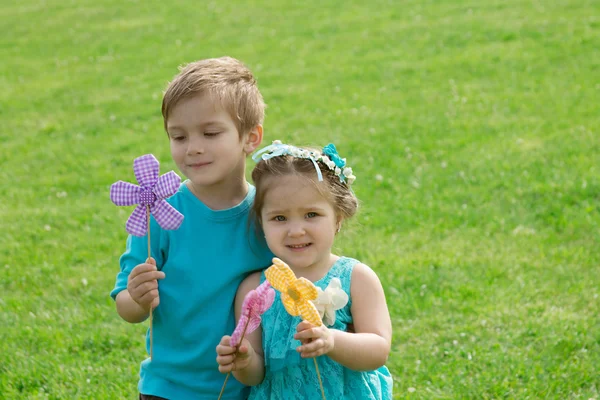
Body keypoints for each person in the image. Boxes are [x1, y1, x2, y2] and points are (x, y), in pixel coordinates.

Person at [110, 56, 273, 400]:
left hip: (247, 386)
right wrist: (137, 298)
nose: (193, 148)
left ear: (250, 137)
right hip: (168, 388)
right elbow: (126, 305)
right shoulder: (158, 212)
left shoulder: (268, 214)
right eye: (178, 136)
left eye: (210, 133)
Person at [216, 141, 393, 399]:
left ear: (338, 218)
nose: (296, 230)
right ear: (261, 223)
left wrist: (333, 341)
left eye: (311, 214)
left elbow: (378, 350)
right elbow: (256, 375)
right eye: (279, 218)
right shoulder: (256, 289)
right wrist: (243, 361)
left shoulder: (356, 278)